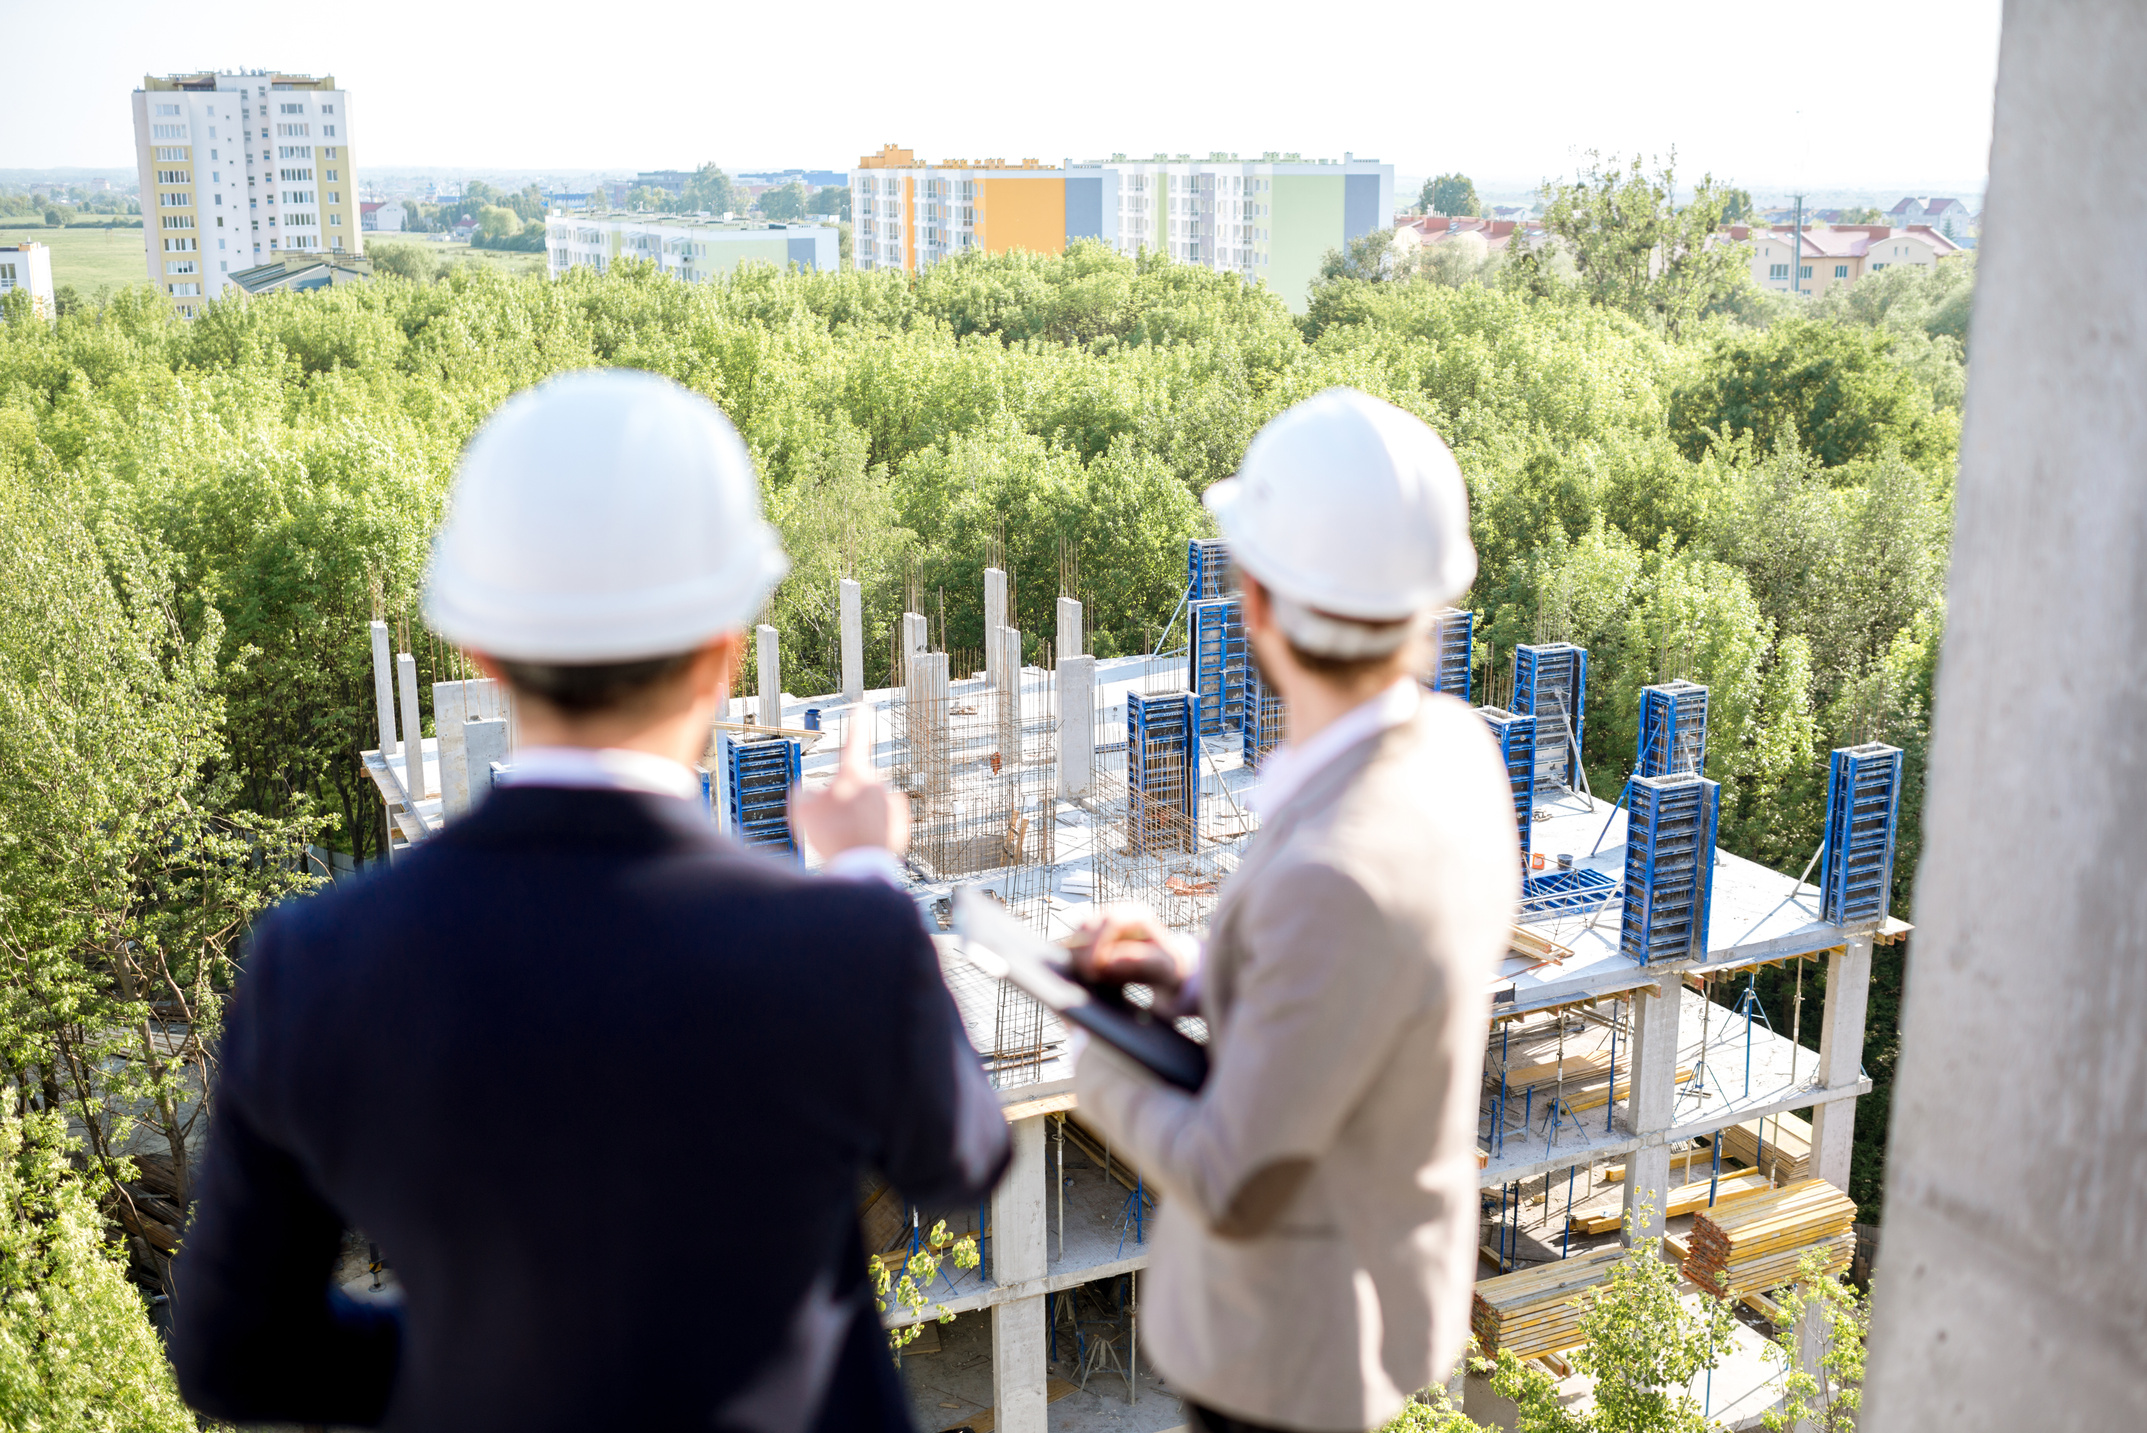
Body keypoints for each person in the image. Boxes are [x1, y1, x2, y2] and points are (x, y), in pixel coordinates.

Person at [170, 370, 1009, 1432]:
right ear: (725, 649)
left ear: (481, 652)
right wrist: (861, 871)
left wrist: (473, 1370)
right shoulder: (836, 939)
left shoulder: (316, 961)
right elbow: (964, 1156)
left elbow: (237, 1353)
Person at [1071, 388, 1519, 1433]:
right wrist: (1198, 969)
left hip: (1285, 1360)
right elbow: (1363, 989)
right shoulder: (1454, 754)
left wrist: (1090, 1054)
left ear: (1254, 602)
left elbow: (1234, 1178)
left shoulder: (1335, 871)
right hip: (1373, 1296)